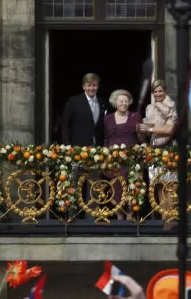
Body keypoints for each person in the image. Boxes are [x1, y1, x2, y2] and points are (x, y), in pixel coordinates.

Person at [138, 80, 179, 220]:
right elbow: (150, 129)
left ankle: (171, 216)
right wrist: (143, 128)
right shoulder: (149, 107)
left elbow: (169, 129)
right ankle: (163, 216)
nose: (158, 94)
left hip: (167, 147)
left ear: (165, 91)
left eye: (160, 91)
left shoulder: (171, 106)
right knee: (159, 183)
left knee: (170, 183)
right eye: (155, 91)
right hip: (154, 146)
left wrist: (149, 128)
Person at [103, 89, 140, 220]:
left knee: (132, 185)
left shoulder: (135, 116)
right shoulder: (107, 119)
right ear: (115, 102)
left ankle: (130, 214)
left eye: (126, 101)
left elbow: (140, 136)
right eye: (121, 101)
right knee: (116, 186)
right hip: (114, 159)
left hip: (131, 158)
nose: (124, 103)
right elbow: (105, 139)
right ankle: (119, 215)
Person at [61, 73, 107, 147]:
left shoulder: (103, 102)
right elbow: (65, 125)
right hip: (78, 148)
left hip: (99, 148)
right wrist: (66, 145)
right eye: (89, 85)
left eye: (94, 85)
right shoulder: (73, 101)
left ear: (97, 86)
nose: (91, 88)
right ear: (83, 87)